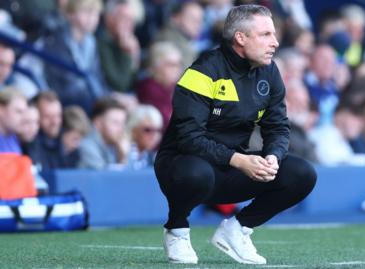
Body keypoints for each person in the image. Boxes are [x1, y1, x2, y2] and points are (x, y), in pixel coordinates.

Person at [154, 5, 317, 265]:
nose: (275, 42)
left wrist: (273, 156)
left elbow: (277, 127)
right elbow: (188, 138)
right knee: (198, 173)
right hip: (182, 167)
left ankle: (237, 229)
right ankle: (177, 229)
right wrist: (240, 160)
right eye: (265, 35)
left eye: (273, 34)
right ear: (240, 38)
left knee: (302, 173)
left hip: (230, 169)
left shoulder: (270, 71)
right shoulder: (203, 71)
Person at [77, 97, 127, 169]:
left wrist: (121, 157)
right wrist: (122, 159)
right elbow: (104, 178)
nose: (121, 129)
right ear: (98, 123)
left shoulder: (114, 146)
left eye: (123, 123)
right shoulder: (87, 147)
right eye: (115, 123)